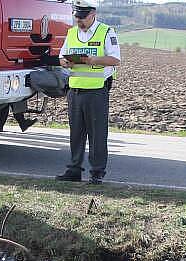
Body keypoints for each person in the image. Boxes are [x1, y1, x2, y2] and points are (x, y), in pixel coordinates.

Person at [56, 0, 120, 185]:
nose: (79, 21)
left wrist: (93, 60)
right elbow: (62, 56)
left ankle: (97, 172)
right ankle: (74, 169)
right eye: (77, 17)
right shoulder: (71, 32)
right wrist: (64, 62)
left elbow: (115, 60)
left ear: (93, 15)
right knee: (76, 133)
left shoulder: (107, 32)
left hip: (97, 91)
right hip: (75, 90)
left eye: (83, 18)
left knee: (97, 134)